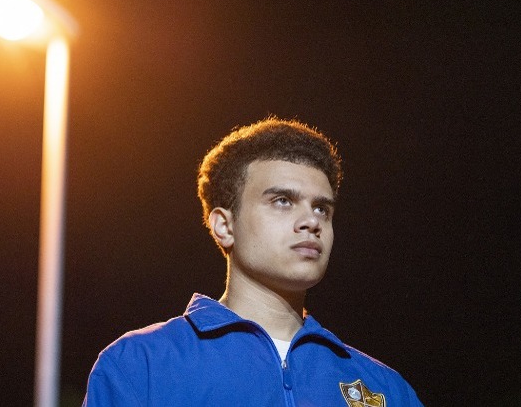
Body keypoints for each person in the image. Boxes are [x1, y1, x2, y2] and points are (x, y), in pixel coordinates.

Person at [83, 116, 423, 406]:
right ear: (224, 226)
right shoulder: (140, 365)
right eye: (282, 201)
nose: (311, 221)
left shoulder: (386, 388)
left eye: (322, 208)